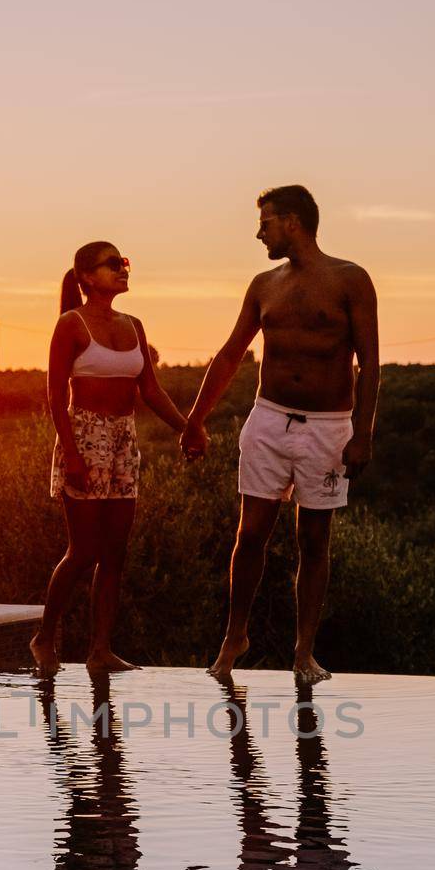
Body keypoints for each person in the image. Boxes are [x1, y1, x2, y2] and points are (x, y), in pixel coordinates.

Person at [180, 185, 380, 682]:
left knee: (314, 540)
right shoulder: (263, 284)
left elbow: (370, 362)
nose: (259, 232)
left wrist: (363, 433)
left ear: (292, 222)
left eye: (265, 223)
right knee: (250, 535)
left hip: (329, 426)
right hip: (268, 418)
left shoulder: (350, 280)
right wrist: (195, 418)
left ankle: (303, 652)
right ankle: (234, 637)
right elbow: (230, 354)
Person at [30, 241, 187, 675]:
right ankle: (44, 637)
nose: (123, 269)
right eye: (112, 264)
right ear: (85, 276)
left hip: (123, 439)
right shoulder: (71, 324)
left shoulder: (134, 324)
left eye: (124, 263)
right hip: (84, 435)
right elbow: (55, 395)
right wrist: (72, 452)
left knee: (115, 553)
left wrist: (188, 427)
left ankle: (101, 650)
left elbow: (150, 390)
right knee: (83, 551)